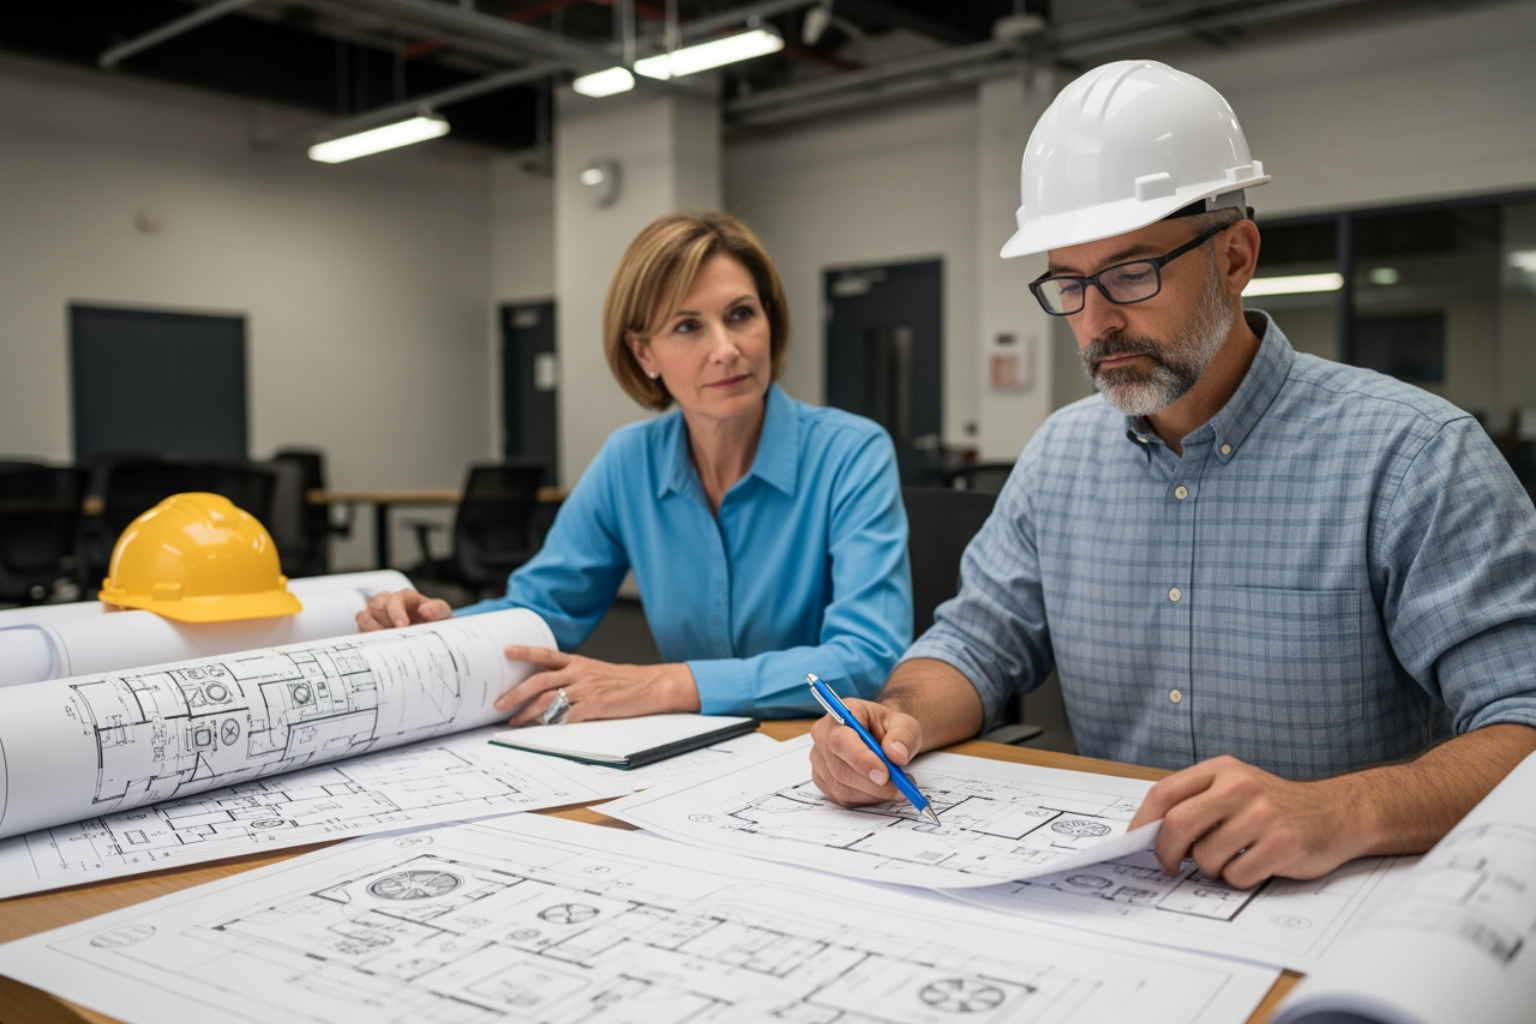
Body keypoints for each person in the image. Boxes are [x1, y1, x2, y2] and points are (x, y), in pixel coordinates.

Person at [809, 60, 1536, 889]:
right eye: (1070, 284)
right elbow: (976, 643)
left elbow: (1526, 717)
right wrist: (895, 720)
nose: (1098, 320)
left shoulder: (1412, 457)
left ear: (1234, 255)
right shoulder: (1060, 457)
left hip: (1338, 901)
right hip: (1125, 891)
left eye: (1130, 274)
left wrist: (1338, 809)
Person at [359, 211, 911, 726]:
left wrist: (666, 685)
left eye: (741, 315)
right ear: (644, 354)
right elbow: (542, 610)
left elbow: (867, 658)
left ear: (769, 320)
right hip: (695, 757)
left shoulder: (851, 452)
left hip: (825, 751)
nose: (725, 349)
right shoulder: (630, 460)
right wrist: (437, 629)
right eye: (687, 327)